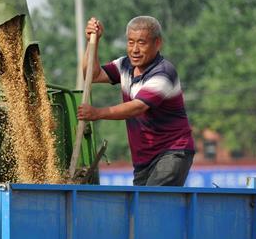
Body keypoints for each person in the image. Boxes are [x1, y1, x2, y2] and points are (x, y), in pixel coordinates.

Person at [77, 16, 195, 186]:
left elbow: (138, 107)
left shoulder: (163, 73)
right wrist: (91, 42)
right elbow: (92, 74)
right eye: (131, 42)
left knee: (151, 205)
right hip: (143, 159)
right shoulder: (125, 65)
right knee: (141, 210)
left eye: (141, 43)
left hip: (171, 152)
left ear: (157, 43)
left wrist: (97, 113)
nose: (135, 49)